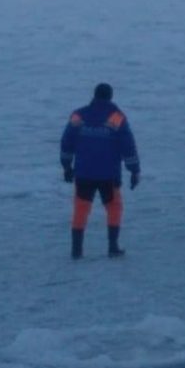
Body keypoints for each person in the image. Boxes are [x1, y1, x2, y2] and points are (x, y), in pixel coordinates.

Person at [60, 83, 140, 259]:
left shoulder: (78, 115)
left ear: (94, 96)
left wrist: (66, 166)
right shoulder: (117, 118)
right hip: (108, 174)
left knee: (80, 209)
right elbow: (128, 146)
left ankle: (76, 250)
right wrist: (134, 171)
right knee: (114, 207)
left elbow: (67, 142)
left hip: (84, 173)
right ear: (110, 97)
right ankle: (113, 246)